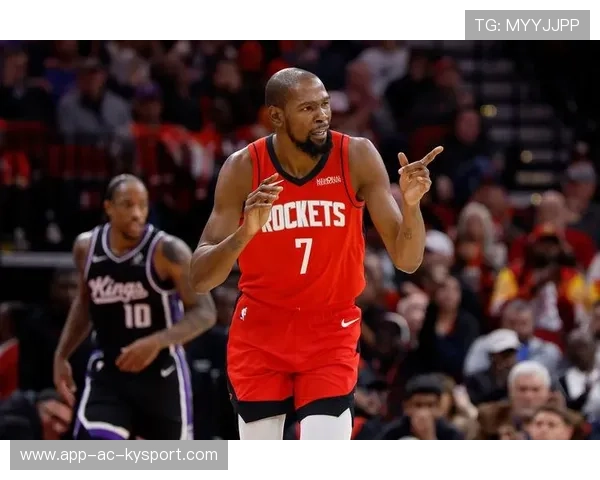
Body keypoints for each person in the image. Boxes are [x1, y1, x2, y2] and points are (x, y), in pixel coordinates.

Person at [190, 67, 442, 440]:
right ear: (277, 116)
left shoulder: (356, 155)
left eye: (324, 104)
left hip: (330, 330)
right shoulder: (244, 167)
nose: (322, 115)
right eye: (308, 108)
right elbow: (200, 278)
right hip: (261, 332)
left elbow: (408, 260)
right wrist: (246, 232)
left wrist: (411, 205)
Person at [53, 174, 216, 440]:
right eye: (128, 205)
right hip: (110, 373)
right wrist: (62, 355)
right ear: (108, 207)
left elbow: (205, 312)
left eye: (143, 205)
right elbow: (84, 303)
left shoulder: (167, 251)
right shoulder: (86, 248)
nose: (137, 214)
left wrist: (156, 342)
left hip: (160, 375)